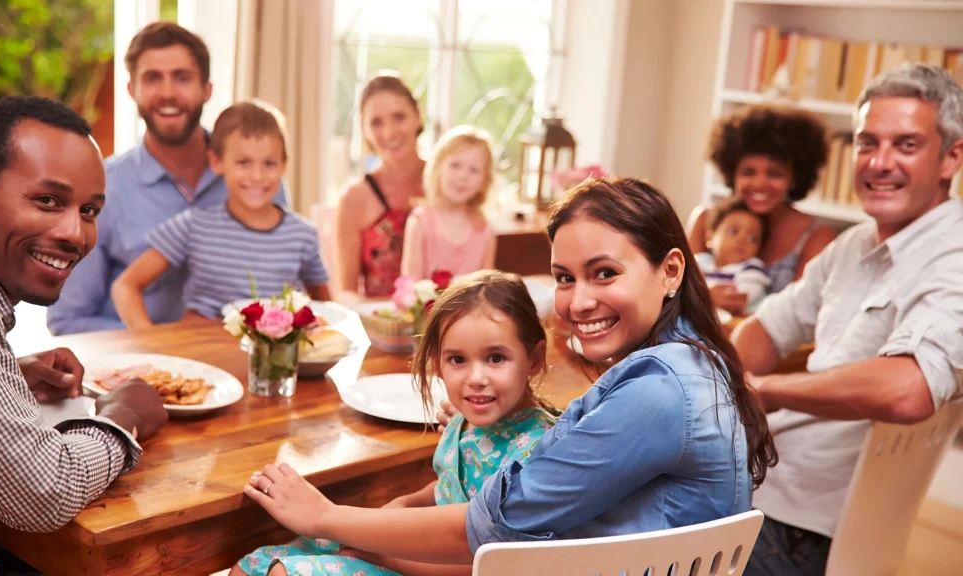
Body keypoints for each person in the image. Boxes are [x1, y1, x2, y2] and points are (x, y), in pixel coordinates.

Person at [237, 178, 776, 571]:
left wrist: (326, 518)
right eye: (565, 278)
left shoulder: (661, 393)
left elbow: (490, 531)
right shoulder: (694, 364)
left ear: (670, 271)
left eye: (605, 273)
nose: (580, 300)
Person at [732, 64, 963, 575]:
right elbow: (765, 327)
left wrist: (768, 390)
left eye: (906, 145)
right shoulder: (854, 243)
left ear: (951, 158)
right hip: (763, 485)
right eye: (867, 143)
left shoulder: (955, 257)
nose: (879, 163)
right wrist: (727, 384)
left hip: (794, 527)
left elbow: (910, 387)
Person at [0, 96, 168, 569]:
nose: (75, 233)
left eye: (89, 210)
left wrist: (6, 373)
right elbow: (43, 493)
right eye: (47, 200)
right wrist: (121, 418)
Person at [231, 270, 556, 576]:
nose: (476, 378)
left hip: (435, 567)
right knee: (253, 565)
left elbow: (483, 562)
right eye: (457, 359)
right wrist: (403, 505)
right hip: (413, 544)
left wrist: (379, 553)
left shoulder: (535, 452)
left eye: (496, 357)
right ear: (437, 364)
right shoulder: (464, 420)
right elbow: (451, 486)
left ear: (535, 358)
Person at [46, 22, 287, 334]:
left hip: (238, 365)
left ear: (207, 89)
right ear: (132, 90)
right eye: (152, 78)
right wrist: (164, 347)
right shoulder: (102, 187)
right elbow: (69, 320)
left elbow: (282, 293)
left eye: (182, 78)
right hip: (136, 365)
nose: (168, 93)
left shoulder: (259, 179)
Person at [111, 101, 330, 328]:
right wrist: (151, 341)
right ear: (216, 162)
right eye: (243, 163)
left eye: (269, 163)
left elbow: (327, 310)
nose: (257, 176)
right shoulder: (194, 225)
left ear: (284, 165)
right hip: (199, 354)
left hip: (272, 360)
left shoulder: (303, 235)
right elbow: (125, 286)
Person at [687, 104, 836, 313]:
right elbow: (675, 292)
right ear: (732, 173)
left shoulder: (816, 238)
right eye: (748, 172)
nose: (759, 183)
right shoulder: (705, 220)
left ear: (795, 178)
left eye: (774, 173)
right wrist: (704, 298)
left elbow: (800, 315)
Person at [334, 72, 426, 299]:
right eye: (376, 122)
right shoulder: (354, 198)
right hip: (381, 328)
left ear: (418, 117)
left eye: (399, 117)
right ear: (364, 131)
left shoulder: (449, 184)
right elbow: (348, 293)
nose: (389, 132)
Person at [401, 126, 497, 280]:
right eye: (455, 165)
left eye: (474, 170)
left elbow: (486, 288)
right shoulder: (420, 222)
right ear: (438, 168)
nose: (463, 176)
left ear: (484, 180)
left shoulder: (485, 230)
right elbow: (410, 286)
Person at [694, 198, 771, 312]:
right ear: (710, 238)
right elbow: (679, 286)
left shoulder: (751, 268)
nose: (742, 240)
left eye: (752, 238)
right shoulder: (700, 263)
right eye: (733, 231)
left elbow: (743, 296)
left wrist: (701, 297)